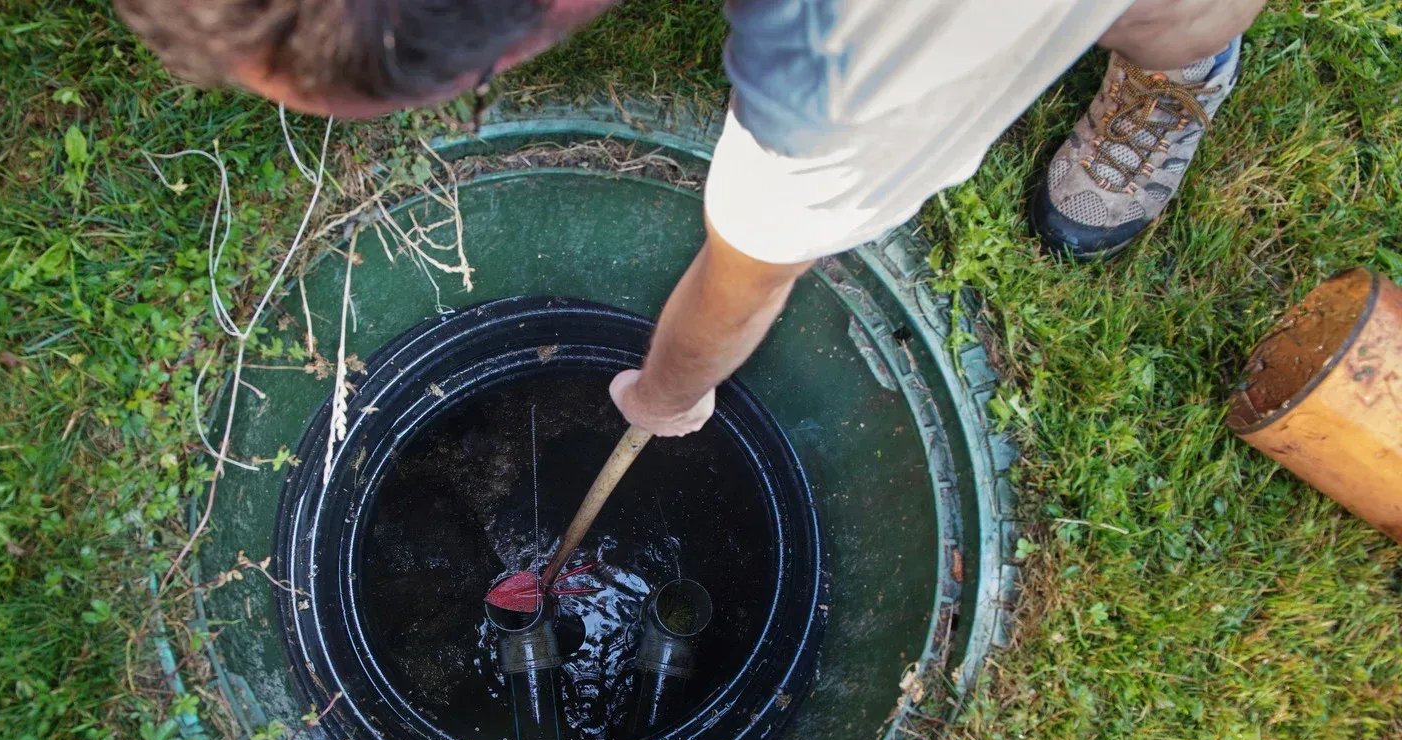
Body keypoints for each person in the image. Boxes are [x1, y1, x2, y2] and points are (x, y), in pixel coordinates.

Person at [115, 0, 1264, 437]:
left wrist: (663, 395)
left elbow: (752, 275)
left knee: (1161, 11)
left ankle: (1182, 56)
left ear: (523, 39)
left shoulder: (843, 62)